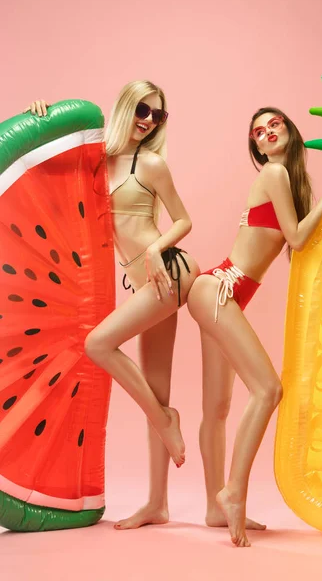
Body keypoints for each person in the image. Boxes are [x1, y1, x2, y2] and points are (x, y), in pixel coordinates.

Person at [187, 107, 322, 547]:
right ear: (256, 146)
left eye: (274, 125)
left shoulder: (284, 179)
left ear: (289, 130)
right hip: (219, 290)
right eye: (257, 132)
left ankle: (214, 507)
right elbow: (298, 237)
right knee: (268, 390)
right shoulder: (274, 174)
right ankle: (233, 493)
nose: (266, 133)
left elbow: (297, 237)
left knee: (219, 408)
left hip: (219, 291)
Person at [26, 81, 200, 530]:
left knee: (98, 343)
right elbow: (43, 174)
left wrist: (158, 249)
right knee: (155, 388)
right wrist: (40, 116)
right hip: (145, 286)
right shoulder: (94, 161)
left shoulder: (152, 163)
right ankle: (157, 504)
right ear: (125, 105)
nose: (148, 120)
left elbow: (183, 219)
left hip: (171, 274)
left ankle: (165, 421)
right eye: (143, 109)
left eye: (158, 116)